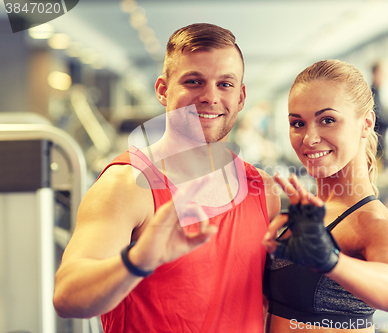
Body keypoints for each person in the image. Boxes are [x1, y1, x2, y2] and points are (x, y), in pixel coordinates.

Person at [53, 23, 280, 333]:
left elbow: (266, 306)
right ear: (163, 90)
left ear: (240, 96)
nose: (210, 97)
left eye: (225, 84)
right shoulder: (128, 185)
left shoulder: (263, 190)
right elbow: (68, 297)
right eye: (194, 81)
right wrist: (138, 261)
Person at [262, 60, 388, 332]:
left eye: (328, 120)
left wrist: (331, 260)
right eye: (298, 123)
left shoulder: (370, 221)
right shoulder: (309, 211)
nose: (309, 137)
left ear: (366, 123)